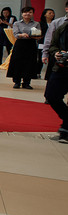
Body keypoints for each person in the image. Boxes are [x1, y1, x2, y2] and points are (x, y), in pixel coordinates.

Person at [44, 14, 68, 144]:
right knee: (51, 96)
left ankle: (65, 129)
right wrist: (55, 53)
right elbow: (52, 45)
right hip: (61, 67)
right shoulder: (62, 27)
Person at [7, 6, 40, 90]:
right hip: (20, 44)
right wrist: (22, 35)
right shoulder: (17, 23)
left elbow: (38, 34)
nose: (27, 14)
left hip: (31, 44)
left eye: (30, 12)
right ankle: (16, 82)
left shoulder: (36, 23)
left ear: (32, 14)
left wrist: (35, 36)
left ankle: (26, 82)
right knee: (18, 62)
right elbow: (15, 34)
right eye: (25, 12)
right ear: (22, 14)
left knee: (29, 62)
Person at [43, 3, 68, 82]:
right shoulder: (57, 22)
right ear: (66, 9)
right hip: (59, 56)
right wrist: (45, 53)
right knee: (55, 84)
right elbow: (49, 39)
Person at [39, 8, 56, 79]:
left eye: (52, 13)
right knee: (40, 57)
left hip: (52, 43)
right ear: (45, 14)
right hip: (42, 42)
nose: (52, 14)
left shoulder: (55, 23)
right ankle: (37, 72)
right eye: (49, 13)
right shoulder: (40, 24)